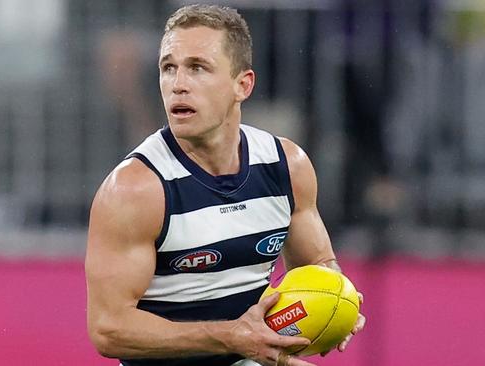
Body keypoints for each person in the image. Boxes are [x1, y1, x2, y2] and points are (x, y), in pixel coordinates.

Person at [85, 5, 365, 366]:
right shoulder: (136, 189)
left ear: (242, 85)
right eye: (168, 68)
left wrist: (339, 302)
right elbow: (109, 329)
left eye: (197, 68)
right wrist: (230, 336)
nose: (178, 84)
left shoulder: (286, 166)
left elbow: (317, 265)